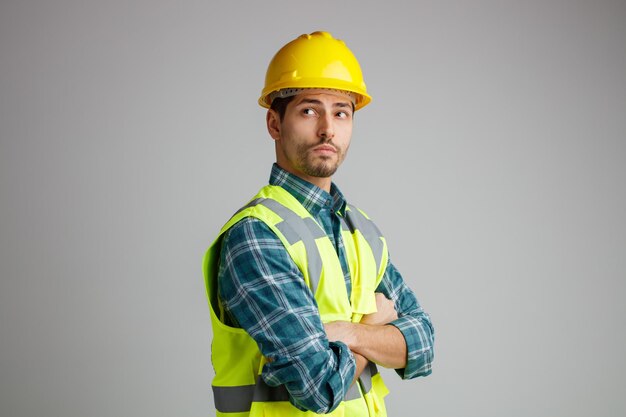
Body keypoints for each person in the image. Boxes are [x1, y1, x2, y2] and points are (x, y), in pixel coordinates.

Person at [203, 31, 434, 417]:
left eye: (341, 112)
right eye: (309, 111)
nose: (328, 129)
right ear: (274, 124)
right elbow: (317, 386)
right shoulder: (256, 236)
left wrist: (350, 332)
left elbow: (423, 343)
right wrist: (377, 325)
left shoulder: (362, 232)